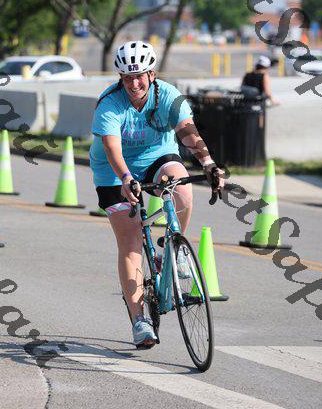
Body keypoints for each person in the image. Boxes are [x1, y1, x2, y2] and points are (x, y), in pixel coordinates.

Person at [89, 40, 224, 349]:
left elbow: (187, 131)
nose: (134, 84)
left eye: (139, 76)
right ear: (120, 78)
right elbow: (111, 147)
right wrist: (126, 178)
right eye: (127, 77)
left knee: (182, 188)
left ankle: (175, 249)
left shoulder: (168, 96)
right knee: (131, 242)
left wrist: (208, 163)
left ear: (152, 74)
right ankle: (140, 321)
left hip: (157, 158)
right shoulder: (109, 103)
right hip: (114, 169)